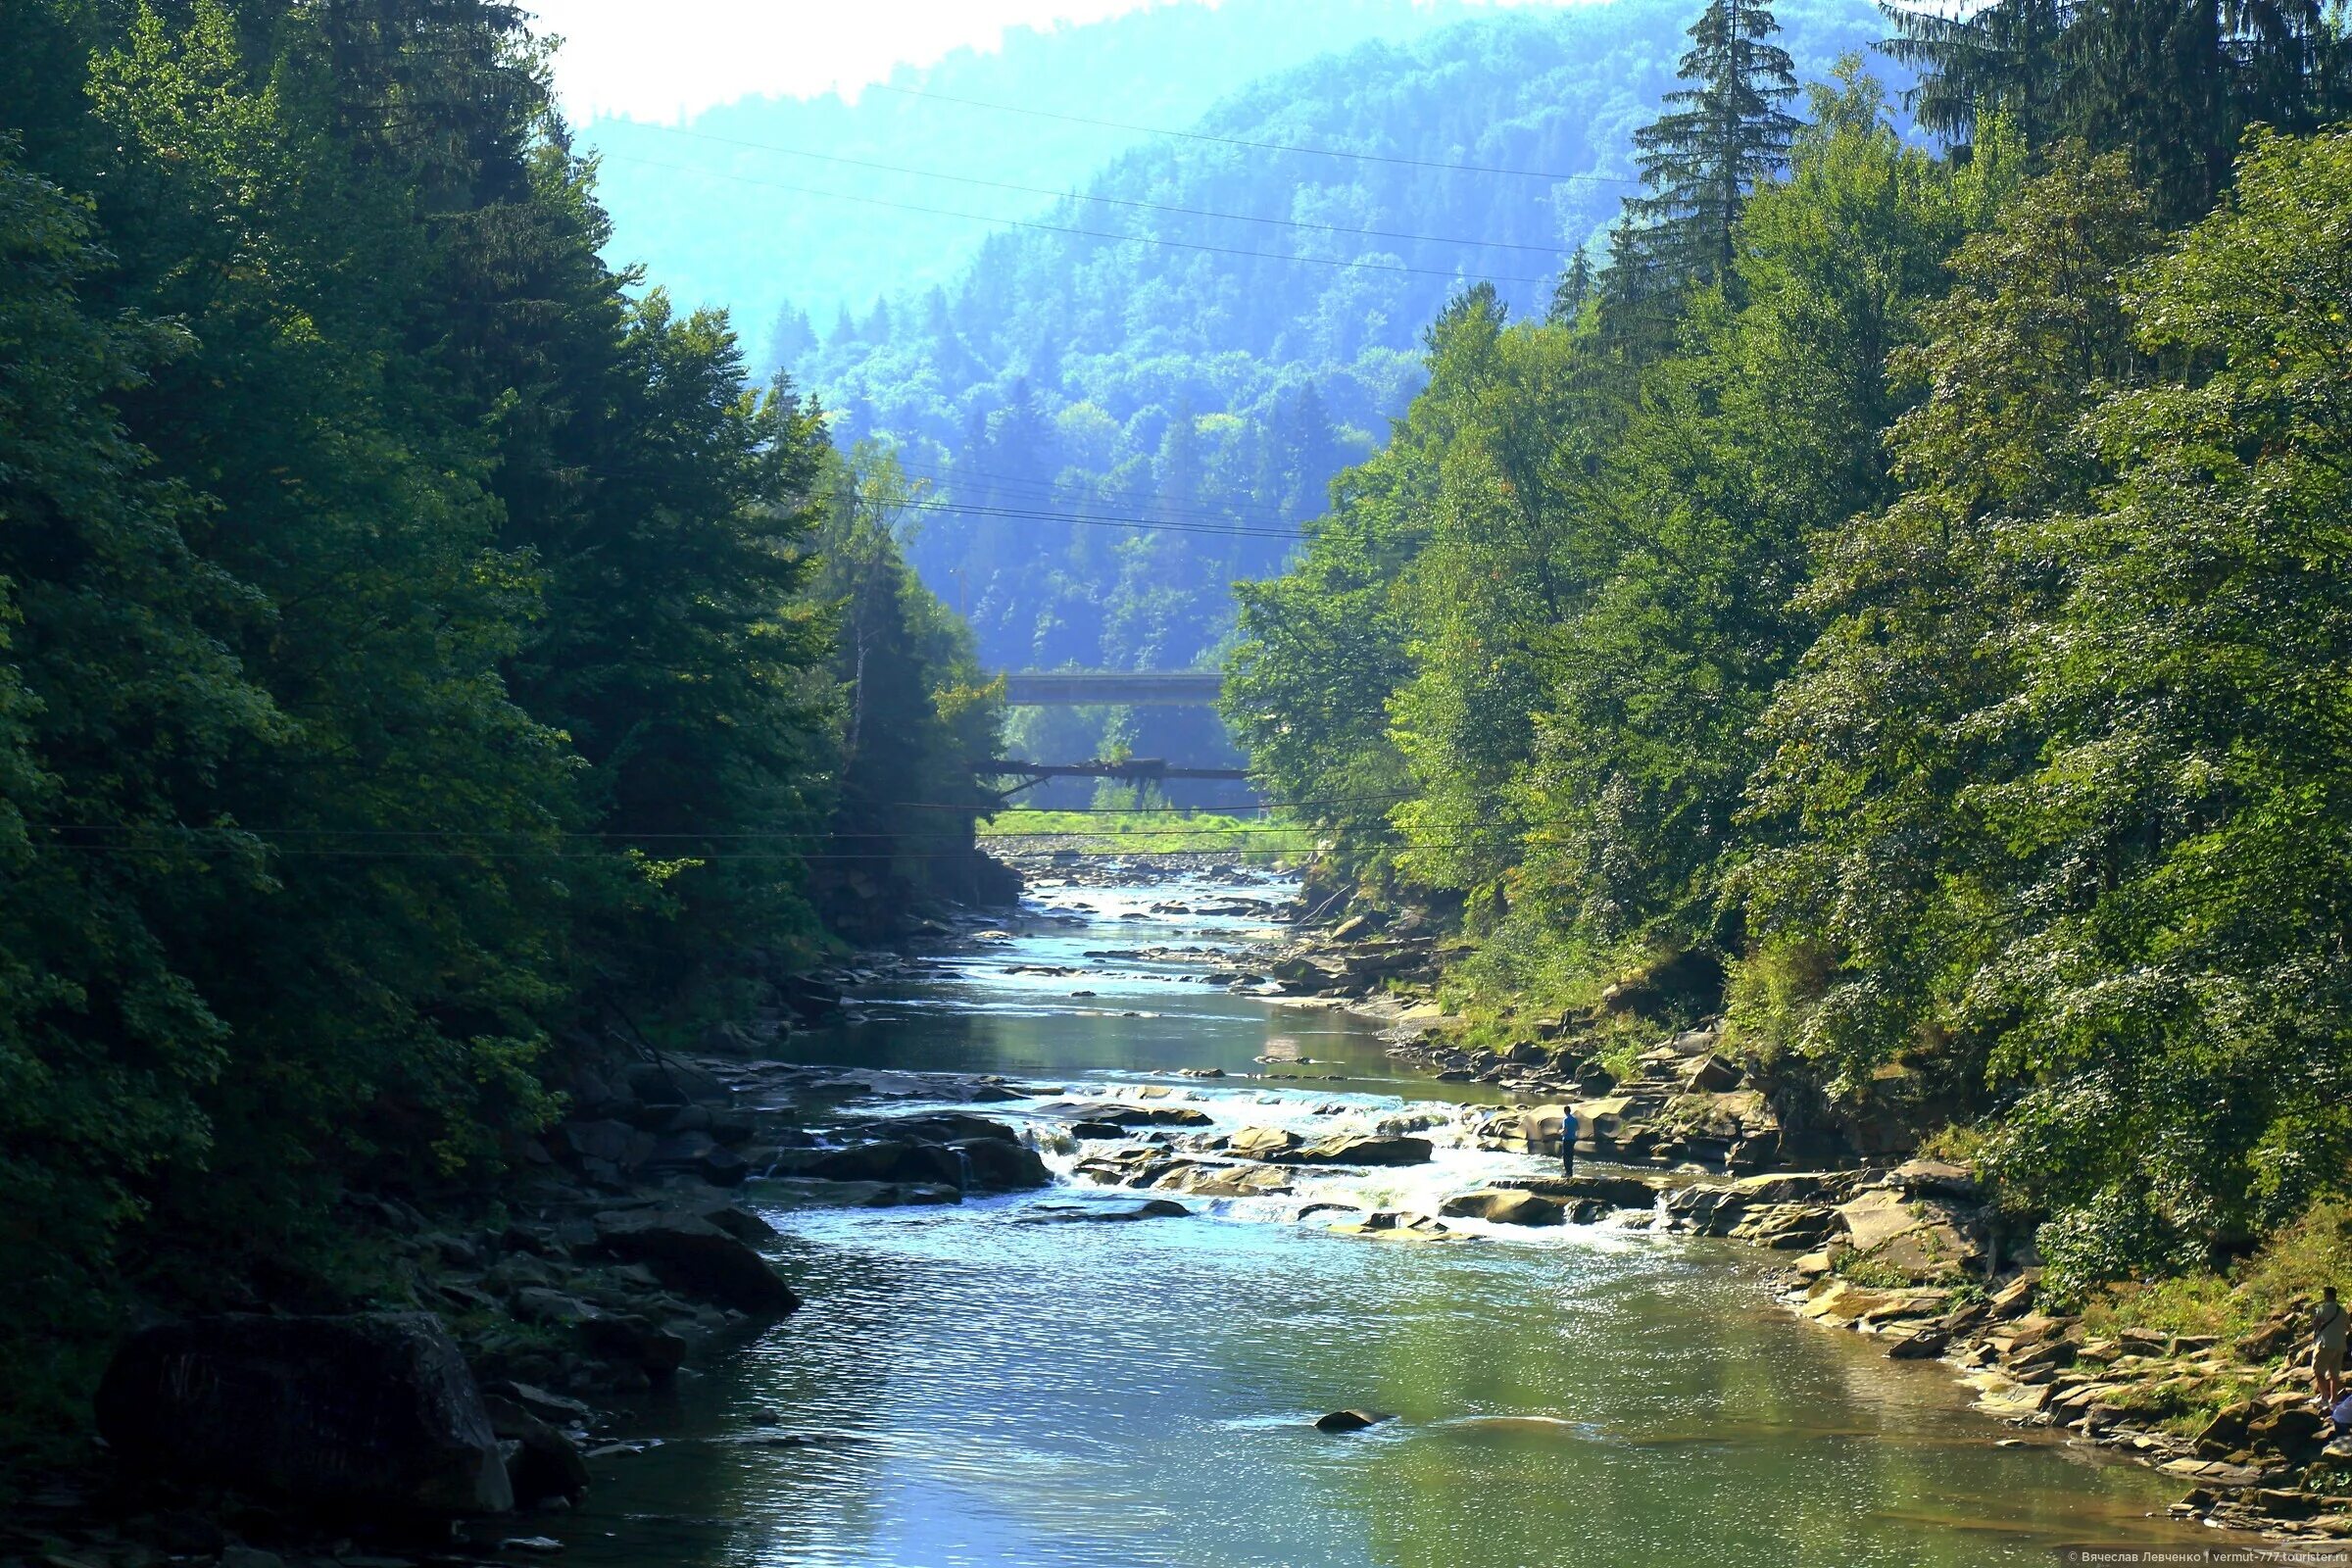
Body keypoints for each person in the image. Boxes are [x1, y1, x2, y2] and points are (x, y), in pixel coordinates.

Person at [2314, 1286, 2348, 1408]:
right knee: (2334, 1374)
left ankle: (2324, 1398)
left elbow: (2316, 1324)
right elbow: (2348, 1327)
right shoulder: (2342, 1310)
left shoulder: (2322, 1308)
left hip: (2326, 1344)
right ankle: (2334, 1400)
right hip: (2340, 1345)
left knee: (2318, 1371)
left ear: (2326, 1295)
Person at [1559, 1107, 1578, 1179]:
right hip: (1573, 1139)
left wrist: (1561, 1132)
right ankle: (1570, 1172)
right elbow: (1578, 1128)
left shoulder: (1565, 1119)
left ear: (1565, 1111)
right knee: (1570, 1156)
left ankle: (1567, 1173)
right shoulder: (1574, 1119)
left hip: (1566, 1139)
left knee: (1566, 1156)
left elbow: (1565, 1130)